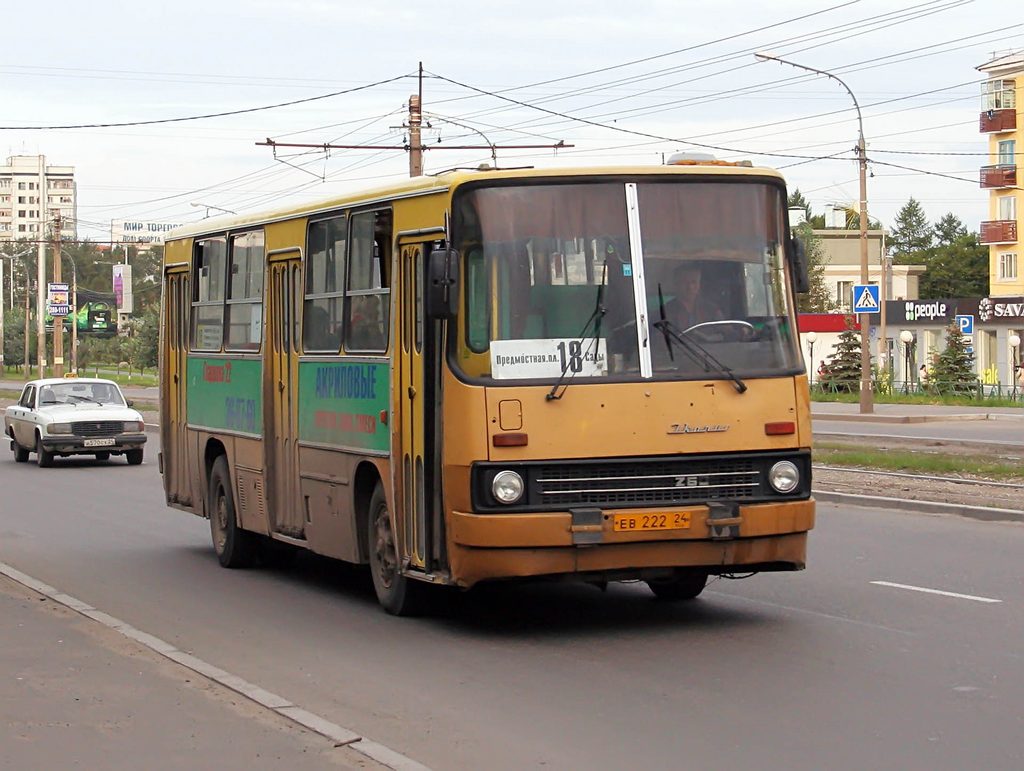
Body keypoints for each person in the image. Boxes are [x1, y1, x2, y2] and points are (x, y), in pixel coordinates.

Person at [667, 262, 723, 331]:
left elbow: (727, 333)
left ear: (699, 285)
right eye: (685, 282)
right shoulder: (665, 312)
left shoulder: (712, 310)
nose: (690, 287)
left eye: (694, 282)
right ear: (676, 284)